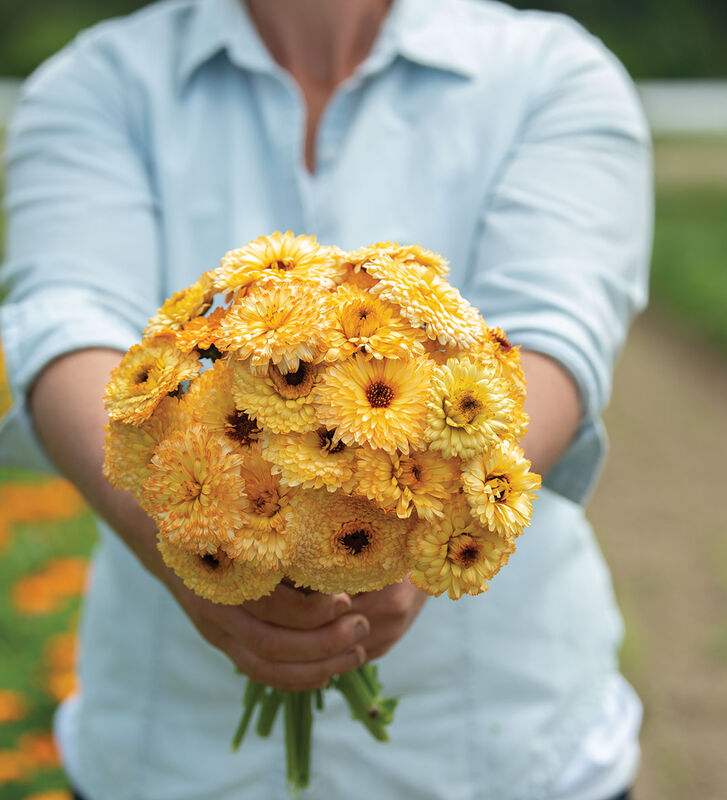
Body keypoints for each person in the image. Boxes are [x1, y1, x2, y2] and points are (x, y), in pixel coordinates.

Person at [0, 0, 652, 798]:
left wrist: (420, 530)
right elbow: (65, 323)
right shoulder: (98, 83)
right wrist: (201, 550)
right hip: (174, 760)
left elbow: (559, 330)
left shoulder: (553, 73)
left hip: (500, 749)